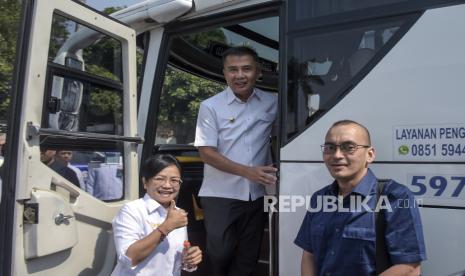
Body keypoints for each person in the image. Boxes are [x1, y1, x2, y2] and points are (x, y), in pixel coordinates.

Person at [295, 120, 426, 276]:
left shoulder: (395, 197)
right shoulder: (320, 198)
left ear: (370, 155)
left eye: (349, 147)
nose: (337, 155)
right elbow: (309, 255)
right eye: (330, 148)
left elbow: (409, 267)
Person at [194, 46, 278, 276]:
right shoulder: (210, 106)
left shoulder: (273, 102)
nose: (239, 75)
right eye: (233, 70)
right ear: (225, 73)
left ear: (258, 72)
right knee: (219, 253)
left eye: (246, 69)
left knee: (249, 256)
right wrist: (247, 172)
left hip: (258, 194)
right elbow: (206, 153)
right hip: (220, 194)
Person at [111, 154, 202, 276]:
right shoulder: (131, 210)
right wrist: (166, 227)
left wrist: (189, 259)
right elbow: (129, 259)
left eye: (174, 180)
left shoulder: (178, 213)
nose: (167, 185)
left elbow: (175, 261)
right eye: (160, 179)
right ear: (145, 182)